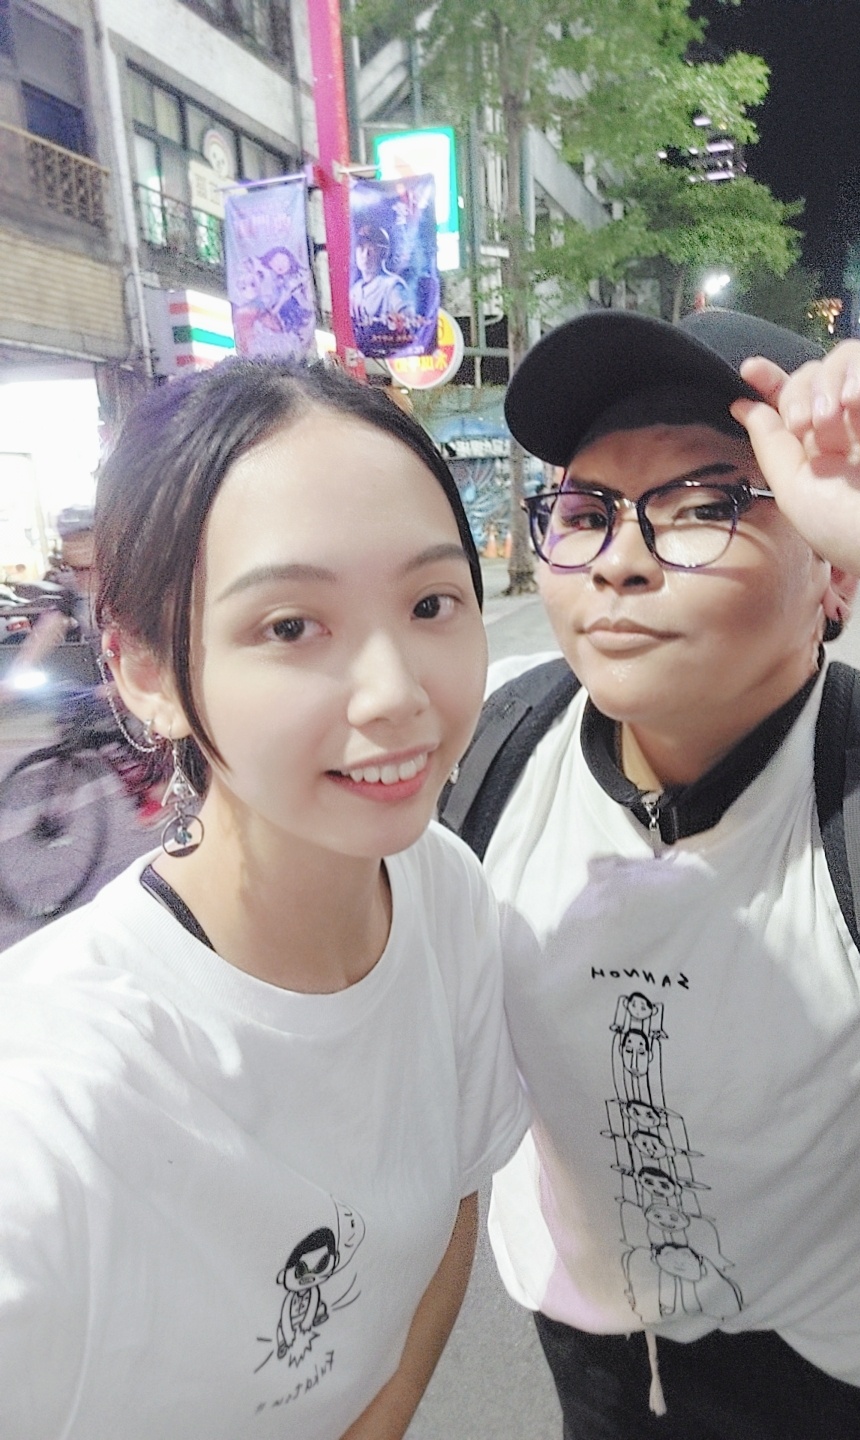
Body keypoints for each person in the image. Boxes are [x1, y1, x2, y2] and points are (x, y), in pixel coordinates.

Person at [463, 308, 860, 1438]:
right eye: (587, 512)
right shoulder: (493, 746)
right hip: (589, 1361)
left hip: (848, 1395)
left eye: (704, 506)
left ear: (834, 574)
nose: (622, 560)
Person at [0, 360, 528, 1439]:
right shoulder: (56, 1100)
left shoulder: (443, 893)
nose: (396, 694)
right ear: (144, 667)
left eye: (431, 603)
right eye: (291, 626)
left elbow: (453, 1201)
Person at [350, 224, 416, 348]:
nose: (365, 254)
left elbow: (409, 325)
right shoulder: (355, 290)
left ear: (383, 253)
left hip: (390, 352)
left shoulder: (392, 286)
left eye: (372, 248)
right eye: (361, 248)